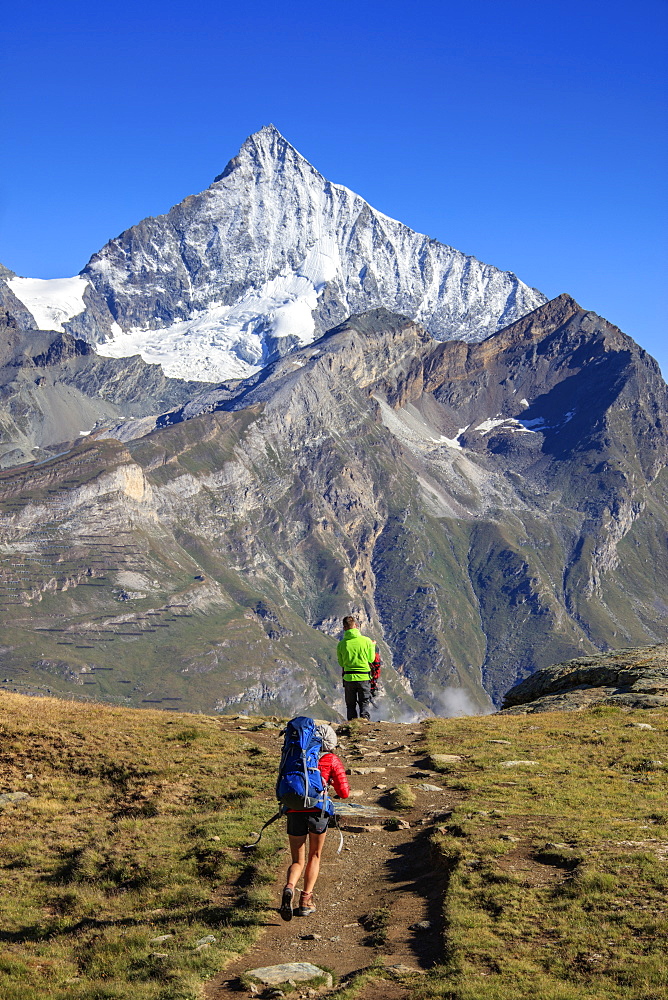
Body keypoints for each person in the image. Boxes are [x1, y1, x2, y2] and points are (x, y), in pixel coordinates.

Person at [280, 723, 349, 920]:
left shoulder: (295, 758)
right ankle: (305, 901)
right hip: (318, 811)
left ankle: (289, 887)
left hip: (294, 809)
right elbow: (344, 793)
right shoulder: (331, 760)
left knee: (297, 860)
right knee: (315, 856)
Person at [337, 615, 376, 721]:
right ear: (357, 626)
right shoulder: (367, 641)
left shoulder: (341, 645)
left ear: (344, 628)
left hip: (349, 678)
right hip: (363, 677)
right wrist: (372, 646)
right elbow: (371, 659)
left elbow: (341, 663)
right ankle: (364, 724)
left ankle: (351, 725)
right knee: (364, 703)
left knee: (350, 705)